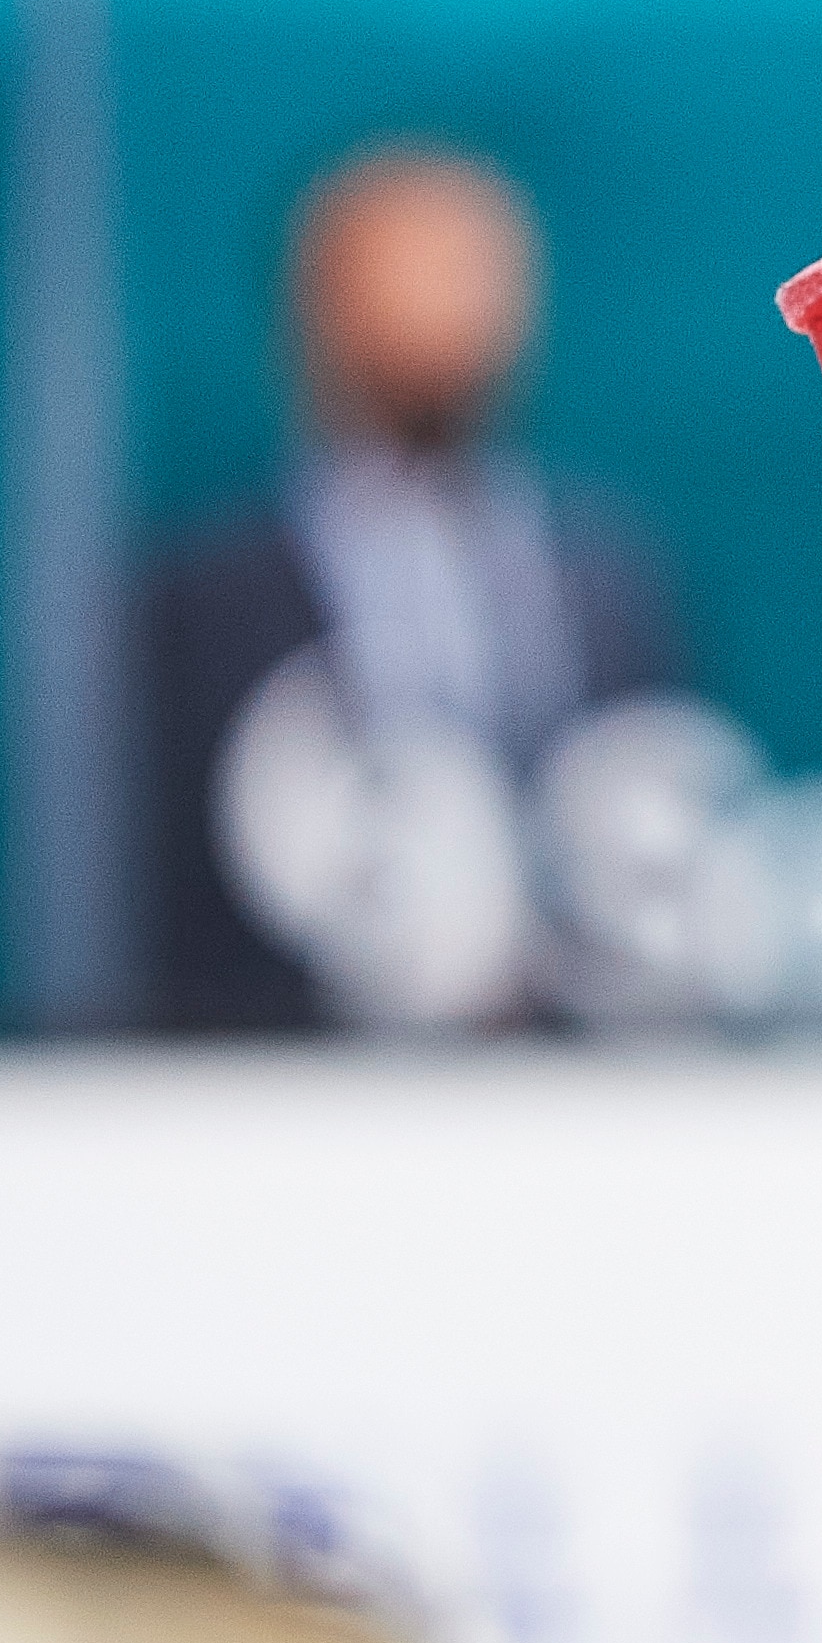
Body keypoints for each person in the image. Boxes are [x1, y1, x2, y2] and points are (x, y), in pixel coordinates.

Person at [136, 145, 682, 1031]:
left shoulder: (607, 573)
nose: (450, 308)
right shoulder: (202, 597)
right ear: (317, 303)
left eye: (477, 272)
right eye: (408, 270)